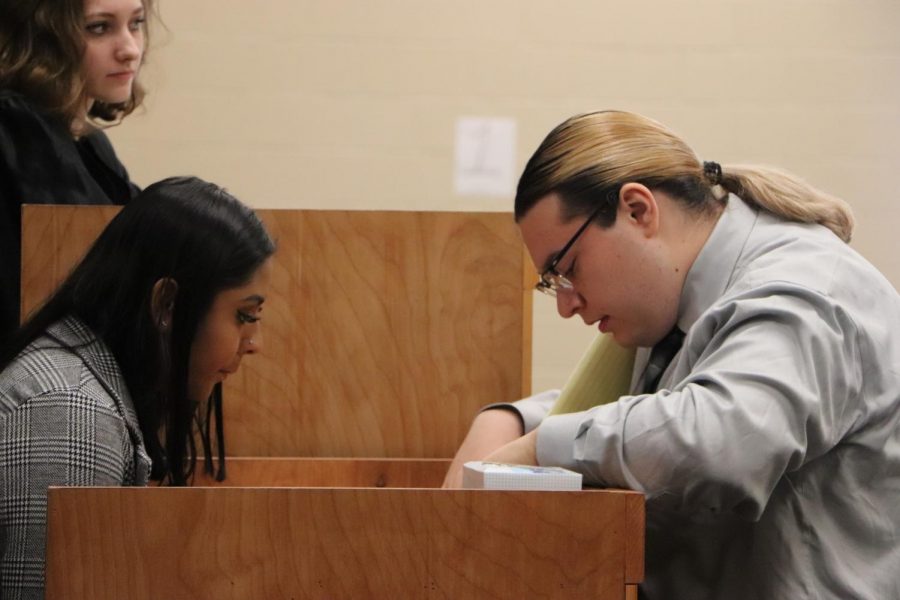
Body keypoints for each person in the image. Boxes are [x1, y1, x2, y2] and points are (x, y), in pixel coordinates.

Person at [443, 110, 900, 599]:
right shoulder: (684, 303)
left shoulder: (800, 291)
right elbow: (654, 401)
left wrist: (539, 448)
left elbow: (721, 437)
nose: (566, 304)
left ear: (638, 211)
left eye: (567, 267)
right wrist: (512, 419)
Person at [0, 176, 275, 600]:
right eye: (243, 315)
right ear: (167, 304)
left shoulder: (86, 385)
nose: (254, 343)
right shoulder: (72, 415)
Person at [0, 0, 152, 344]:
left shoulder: (90, 141)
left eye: (136, 23)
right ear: (41, 36)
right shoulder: (18, 127)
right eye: (99, 27)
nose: (130, 50)